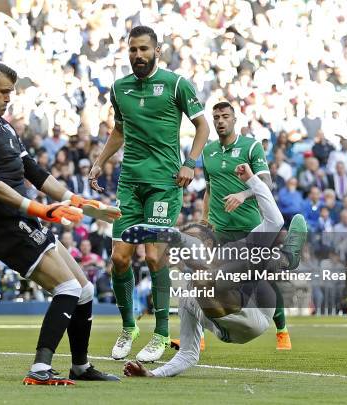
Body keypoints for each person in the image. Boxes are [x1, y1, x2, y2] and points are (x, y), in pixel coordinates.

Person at [0, 61, 119, 385]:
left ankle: (81, 367)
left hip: (23, 219)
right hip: (3, 224)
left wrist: (80, 203)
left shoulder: (4, 126)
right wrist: (40, 210)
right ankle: (40, 368)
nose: (8, 98)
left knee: (84, 290)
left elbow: (35, 173)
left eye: (11, 93)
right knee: (68, 287)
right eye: (3, 92)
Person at [88, 25, 210, 362]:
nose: (138, 55)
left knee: (155, 256)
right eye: (133, 50)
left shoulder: (176, 85)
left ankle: (160, 333)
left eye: (144, 49)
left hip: (164, 183)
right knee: (119, 259)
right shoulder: (119, 88)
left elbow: (203, 126)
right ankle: (129, 327)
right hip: (130, 183)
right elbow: (120, 129)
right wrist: (100, 162)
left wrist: (191, 162)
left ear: (157, 51)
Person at [121, 164, 307, 378]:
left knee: (238, 258)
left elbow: (275, 221)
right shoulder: (188, 298)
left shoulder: (233, 251)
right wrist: (153, 374)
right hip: (234, 324)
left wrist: (252, 181)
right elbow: (188, 355)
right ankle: (286, 259)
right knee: (204, 279)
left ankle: (286, 259)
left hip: (258, 305)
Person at [201, 101, 292, 350]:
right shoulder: (207, 151)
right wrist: (204, 219)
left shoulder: (251, 146)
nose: (220, 121)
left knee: (260, 280)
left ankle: (282, 330)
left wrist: (243, 194)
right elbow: (209, 189)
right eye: (216, 117)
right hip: (220, 230)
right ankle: (196, 335)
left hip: (250, 227)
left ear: (234, 119)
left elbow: (266, 182)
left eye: (225, 116)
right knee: (206, 280)